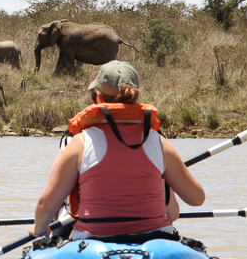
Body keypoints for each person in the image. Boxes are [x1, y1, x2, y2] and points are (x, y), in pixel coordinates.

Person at [27, 60, 205, 241]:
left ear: (99, 98)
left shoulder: (79, 142)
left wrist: (38, 231)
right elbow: (196, 199)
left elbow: (45, 206)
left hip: (92, 240)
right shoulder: (158, 142)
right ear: (136, 97)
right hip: (155, 238)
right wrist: (166, 176)